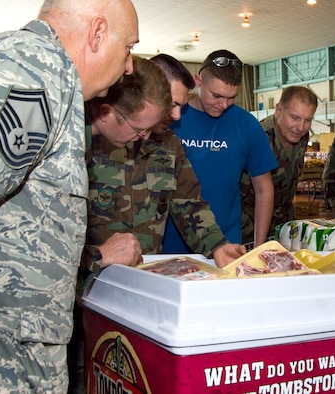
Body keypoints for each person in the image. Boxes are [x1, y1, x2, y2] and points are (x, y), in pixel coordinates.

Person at [0, 0, 138, 391]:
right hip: (0, 358)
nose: (130, 65)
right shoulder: (34, 72)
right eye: (129, 48)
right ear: (97, 33)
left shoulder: (50, 78)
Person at [83, 54, 246, 273]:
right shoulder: (92, 134)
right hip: (88, 279)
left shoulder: (169, 145)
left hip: (145, 277)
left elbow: (188, 203)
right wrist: (97, 256)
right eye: (171, 104)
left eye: (182, 106)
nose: (177, 115)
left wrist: (216, 246)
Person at [162, 49, 277, 253]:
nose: (223, 105)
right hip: (168, 244)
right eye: (216, 95)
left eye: (231, 97)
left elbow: (264, 188)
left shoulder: (246, 125)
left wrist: (259, 248)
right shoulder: (172, 116)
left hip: (225, 244)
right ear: (199, 80)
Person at [240, 86, 318, 244]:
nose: (301, 127)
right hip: (249, 232)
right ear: (278, 110)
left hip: (283, 228)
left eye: (307, 120)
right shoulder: (256, 138)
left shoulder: (301, 137)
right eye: (295, 118)